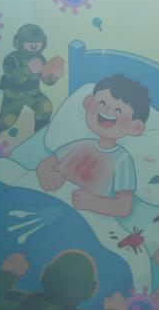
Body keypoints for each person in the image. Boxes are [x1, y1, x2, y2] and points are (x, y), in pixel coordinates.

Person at [35, 74, 149, 218]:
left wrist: (92, 202)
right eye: (102, 103)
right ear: (88, 103)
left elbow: (124, 207)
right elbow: (45, 165)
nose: (107, 109)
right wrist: (46, 175)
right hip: (50, 199)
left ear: (135, 127)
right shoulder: (81, 144)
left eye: (118, 110)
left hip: (82, 215)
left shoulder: (122, 160)